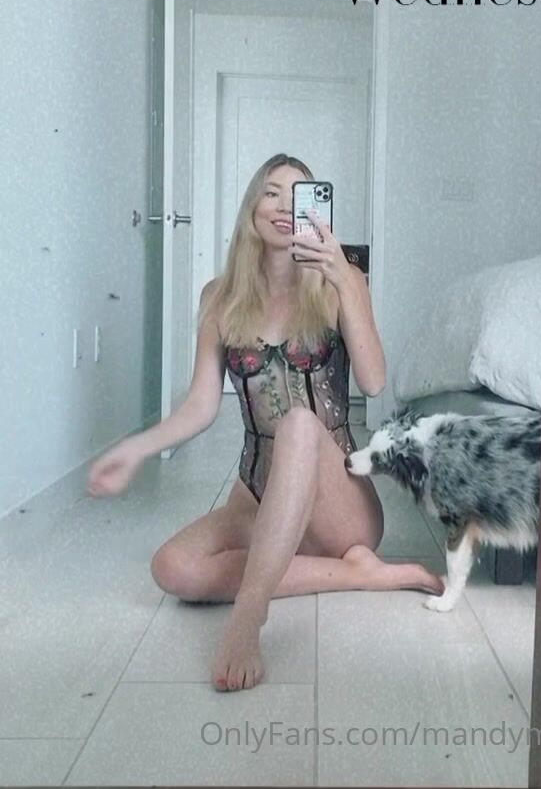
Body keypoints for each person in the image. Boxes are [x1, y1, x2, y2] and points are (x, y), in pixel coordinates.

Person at [87, 153, 442, 692]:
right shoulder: (219, 297)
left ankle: (249, 615)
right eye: (271, 192)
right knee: (172, 567)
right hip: (257, 493)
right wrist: (135, 449)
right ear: (252, 205)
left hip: (340, 507)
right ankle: (357, 573)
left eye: (297, 196)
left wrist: (346, 281)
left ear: (314, 210)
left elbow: (373, 381)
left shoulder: (339, 284)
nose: (282, 206)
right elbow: (201, 405)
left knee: (299, 424)